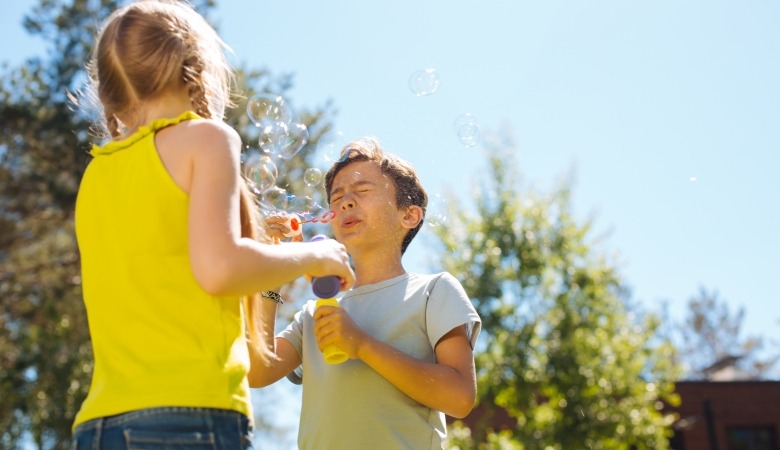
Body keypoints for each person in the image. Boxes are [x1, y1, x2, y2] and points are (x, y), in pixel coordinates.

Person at [71, 1, 354, 448]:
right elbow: (219, 268)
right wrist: (315, 255)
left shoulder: (96, 173)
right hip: (188, 414)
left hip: (99, 423)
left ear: (110, 91)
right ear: (198, 67)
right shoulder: (206, 138)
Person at [253, 137, 482, 449]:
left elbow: (459, 398)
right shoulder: (315, 312)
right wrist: (272, 274)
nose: (346, 202)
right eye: (337, 197)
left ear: (409, 216)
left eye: (362, 191)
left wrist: (362, 345)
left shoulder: (433, 291)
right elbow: (258, 370)